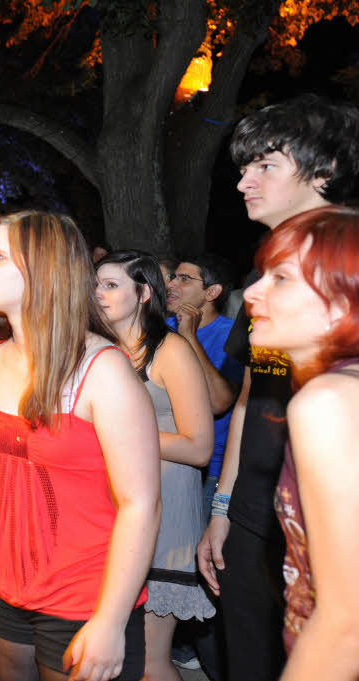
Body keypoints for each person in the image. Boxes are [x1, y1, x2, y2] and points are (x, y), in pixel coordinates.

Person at [197, 95, 359, 681]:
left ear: (323, 171)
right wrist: (223, 507)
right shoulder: (263, 282)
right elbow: (249, 398)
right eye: (243, 169)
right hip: (258, 514)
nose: (244, 182)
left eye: (265, 165)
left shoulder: (345, 272)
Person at [0, 212, 161, 681]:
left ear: (43, 270)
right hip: (0, 585)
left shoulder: (104, 371)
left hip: (84, 597)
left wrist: (112, 621)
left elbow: (142, 504)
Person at [241, 206, 359, 680]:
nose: (252, 291)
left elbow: (347, 622)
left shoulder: (328, 403)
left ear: (343, 300)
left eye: (281, 278)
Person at [96, 250, 215, 681]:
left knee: (150, 661)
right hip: (114, 511)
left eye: (111, 285)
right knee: (118, 655)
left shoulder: (170, 351)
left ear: (144, 293)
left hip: (166, 516)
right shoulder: (99, 349)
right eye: (96, 284)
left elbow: (200, 447)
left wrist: (119, 431)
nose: (98, 294)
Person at [166, 254, 244, 514]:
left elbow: (219, 402)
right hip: (162, 456)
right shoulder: (160, 328)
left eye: (185, 279)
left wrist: (189, 337)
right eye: (172, 277)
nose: (172, 284)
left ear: (212, 291)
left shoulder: (232, 335)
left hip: (209, 472)